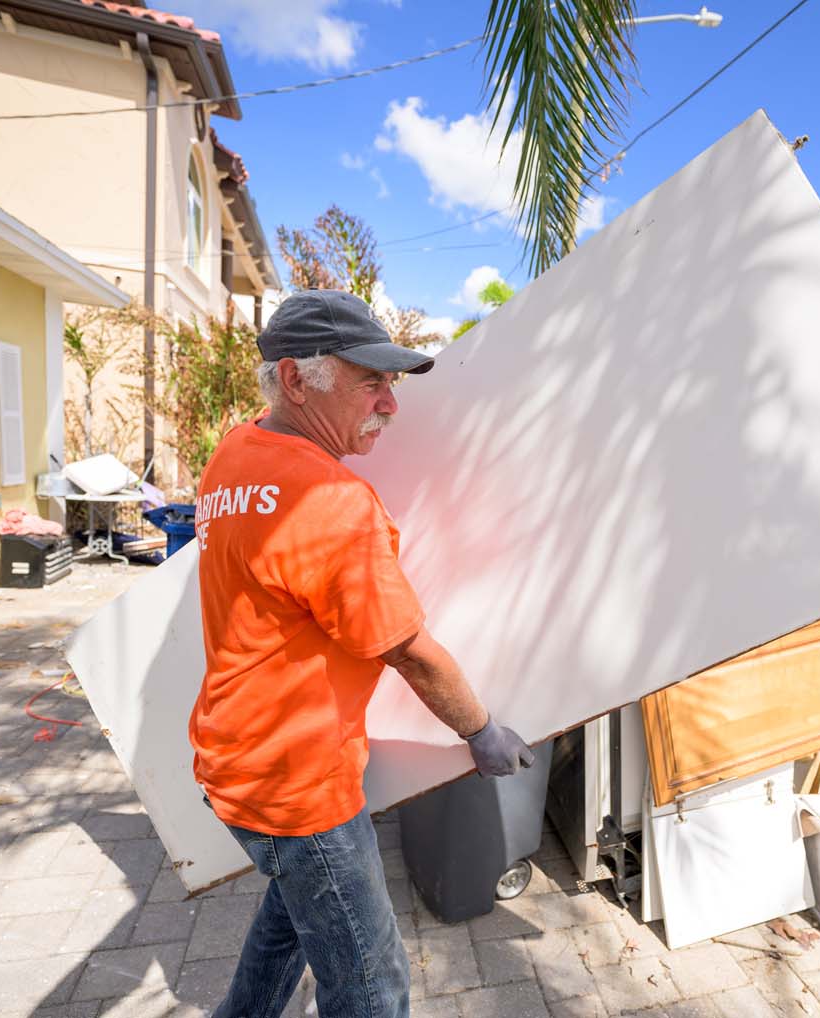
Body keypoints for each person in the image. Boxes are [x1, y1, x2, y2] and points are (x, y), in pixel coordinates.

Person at [189, 289, 533, 1018]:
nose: (390, 404)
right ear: (293, 379)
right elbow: (407, 651)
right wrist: (481, 731)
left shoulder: (236, 454)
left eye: (391, 383)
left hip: (239, 757)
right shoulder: (328, 498)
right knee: (371, 986)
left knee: (291, 924)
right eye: (370, 380)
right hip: (297, 785)